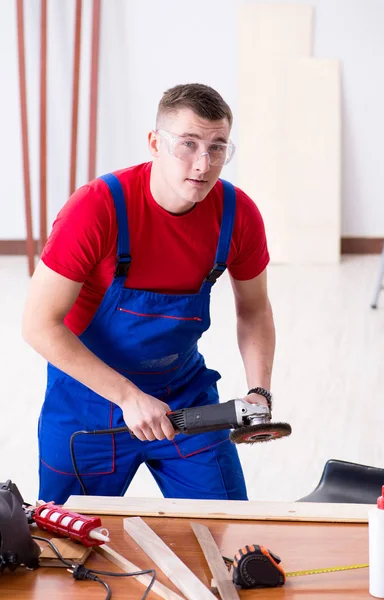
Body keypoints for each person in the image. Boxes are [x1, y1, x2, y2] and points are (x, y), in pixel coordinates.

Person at [22, 83, 275, 504]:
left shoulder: (237, 214)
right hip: (88, 405)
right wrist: (128, 397)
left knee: (227, 531)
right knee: (67, 546)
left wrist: (259, 391)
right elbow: (38, 325)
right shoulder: (96, 208)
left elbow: (254, 311)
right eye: (188, 144)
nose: (203, 163)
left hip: (184, 398)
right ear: (155, 144)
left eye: (218, 147)